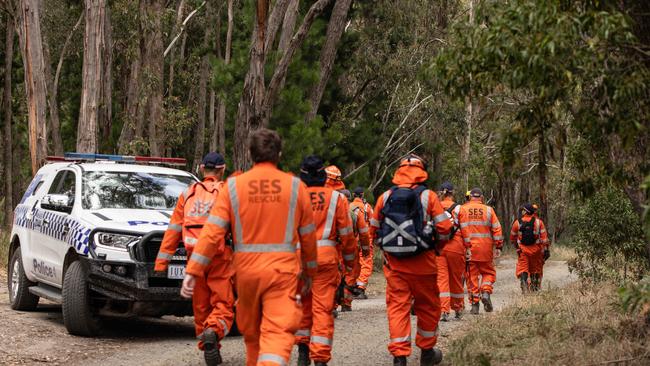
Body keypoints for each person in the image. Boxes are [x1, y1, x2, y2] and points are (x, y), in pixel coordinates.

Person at [182, 129, 318, 366]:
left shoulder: (233, 187)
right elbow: (308, 239)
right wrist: (309, 273)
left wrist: (194, 270)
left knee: (252, 337)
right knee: (276, 334)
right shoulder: (296, 187)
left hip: (246, 275)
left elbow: (212, 232)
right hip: (281, 274)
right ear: (280, 154)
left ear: (251, 153)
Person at [370, 155, 452, 366]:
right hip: (424, 264)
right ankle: (426, 352)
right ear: (422, 171)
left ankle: (399, 356)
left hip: (395, 266)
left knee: (398, 307)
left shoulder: (385, 196)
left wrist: (387, 252)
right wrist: (437, 248)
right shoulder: (429, 196)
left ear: (399, 171)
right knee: (428, 306)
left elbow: (373, 228)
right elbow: (444, 228)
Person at [154, 152, 233, 365]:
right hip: (219, 257)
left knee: (201, 307)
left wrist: (162, 262)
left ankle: (208, 342)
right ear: (222, 169)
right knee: (223, 304)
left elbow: (173, 230)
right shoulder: (226, 192)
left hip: (193, 258)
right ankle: (214, 331)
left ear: (200, 168)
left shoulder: (187, 193)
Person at [295, 156, 356, 366]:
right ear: (323, 176)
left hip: (299, 261)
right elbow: (347, 235)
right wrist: (349, 264)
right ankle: (320, 358)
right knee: (322, 310)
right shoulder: (337, 199)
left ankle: (303, 352)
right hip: (326, 262)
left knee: (303, 306)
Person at [458, 188, 504, 315]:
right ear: (482, 197)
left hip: (468, 250)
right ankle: (485, 291)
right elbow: (497, 229)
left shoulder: (462, 209)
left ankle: (475, 305)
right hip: (485, 249)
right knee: (488, 273)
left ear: (470, 197)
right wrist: (498, 246)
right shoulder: (489, 210)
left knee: (471, 278)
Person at [435, 182, 470, 321]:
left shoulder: (435, 207)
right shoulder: (459, 209)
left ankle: (444, 310)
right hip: (456, 247)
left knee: (441, 279)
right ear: (452, 193)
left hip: (439, 248)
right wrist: (468, 247)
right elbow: (465, 230)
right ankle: (458, 308)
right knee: (456, 279)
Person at [339, 188, 370, 311]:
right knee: (350, 275)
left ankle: (333, 305)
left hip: (334, 249)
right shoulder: (355, 212)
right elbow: (364, 233)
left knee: (335, 275)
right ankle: (346, 304)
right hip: (351, 249)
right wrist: (366, 250)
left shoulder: (330, 210)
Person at [510, 203, 549, 293]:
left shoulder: (517, 222)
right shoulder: (539, 222)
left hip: (523, 250)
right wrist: (546, 250)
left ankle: (524, 283)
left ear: (525, 211)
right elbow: (544, 238)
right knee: (535, 269)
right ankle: (534, 287)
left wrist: (517, 247)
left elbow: (512, 237)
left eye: (523, 210)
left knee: (523, 268)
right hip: (536, 251)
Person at [352, 187, 374, 299]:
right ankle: (360, 289)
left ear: (353, 195)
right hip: (365, 239)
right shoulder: (367, 207)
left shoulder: (349, 206)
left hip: (352, 240)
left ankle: (352, 286)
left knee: (355, 265)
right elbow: (374, 223)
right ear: (362, 195)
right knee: (366, 264)